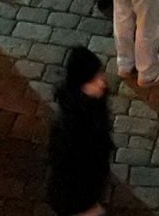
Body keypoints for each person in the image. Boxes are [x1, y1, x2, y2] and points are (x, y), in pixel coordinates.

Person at [46, 45, 113, 216]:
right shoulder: (71, 126)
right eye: (93, 80)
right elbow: (69, 170)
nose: (101, 82)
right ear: (81, 84)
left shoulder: (93, 103)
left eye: (99, 75)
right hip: (76, 197)